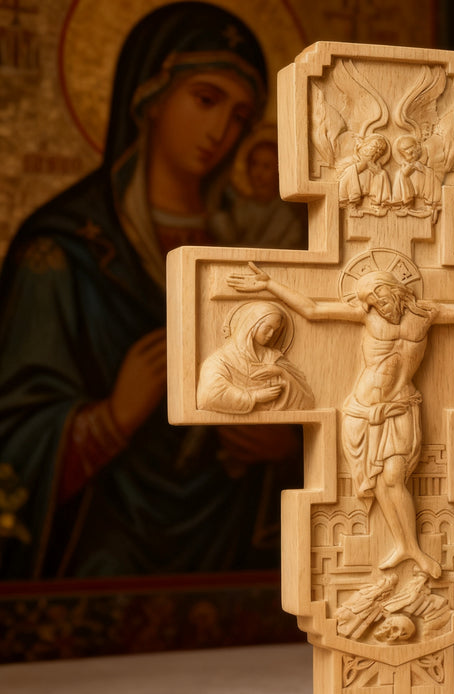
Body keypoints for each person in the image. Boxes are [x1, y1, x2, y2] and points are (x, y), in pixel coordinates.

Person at [0, 3, 300, 579]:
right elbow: (12, 439)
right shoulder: (61, 251)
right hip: (101, 560)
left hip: (241, 558)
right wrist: (108, 420)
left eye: (240, 116)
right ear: (150, 97)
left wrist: (286, 450)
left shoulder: (258, 247)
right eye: (206, 100)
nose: (221, 132)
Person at [227, 262, 454, 579]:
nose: (378, 308)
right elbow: (312, 310)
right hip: (364, 410)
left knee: (394, 476)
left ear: (393, 291)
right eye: (371, 303)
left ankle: (408, 547)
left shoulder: (427, 314)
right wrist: (270, 285)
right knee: (382, 480)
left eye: (379, 299)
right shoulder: (365, 314)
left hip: (401, 405)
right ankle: (406, 546)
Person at [197, 300, 314, 413]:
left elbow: (307, 399)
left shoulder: (274, 357)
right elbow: (208, 396)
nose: (271, 334)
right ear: (251, 325)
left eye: (275, 330)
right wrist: (254, 396)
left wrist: (281, 372)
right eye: (268, 328)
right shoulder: (220, 360)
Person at [209, 138, 307, 249]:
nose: (258, 174)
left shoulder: (288, 215)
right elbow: (229, 242)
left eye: (266, 166)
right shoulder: (240, 207)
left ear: (279, 172)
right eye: (254, 164)